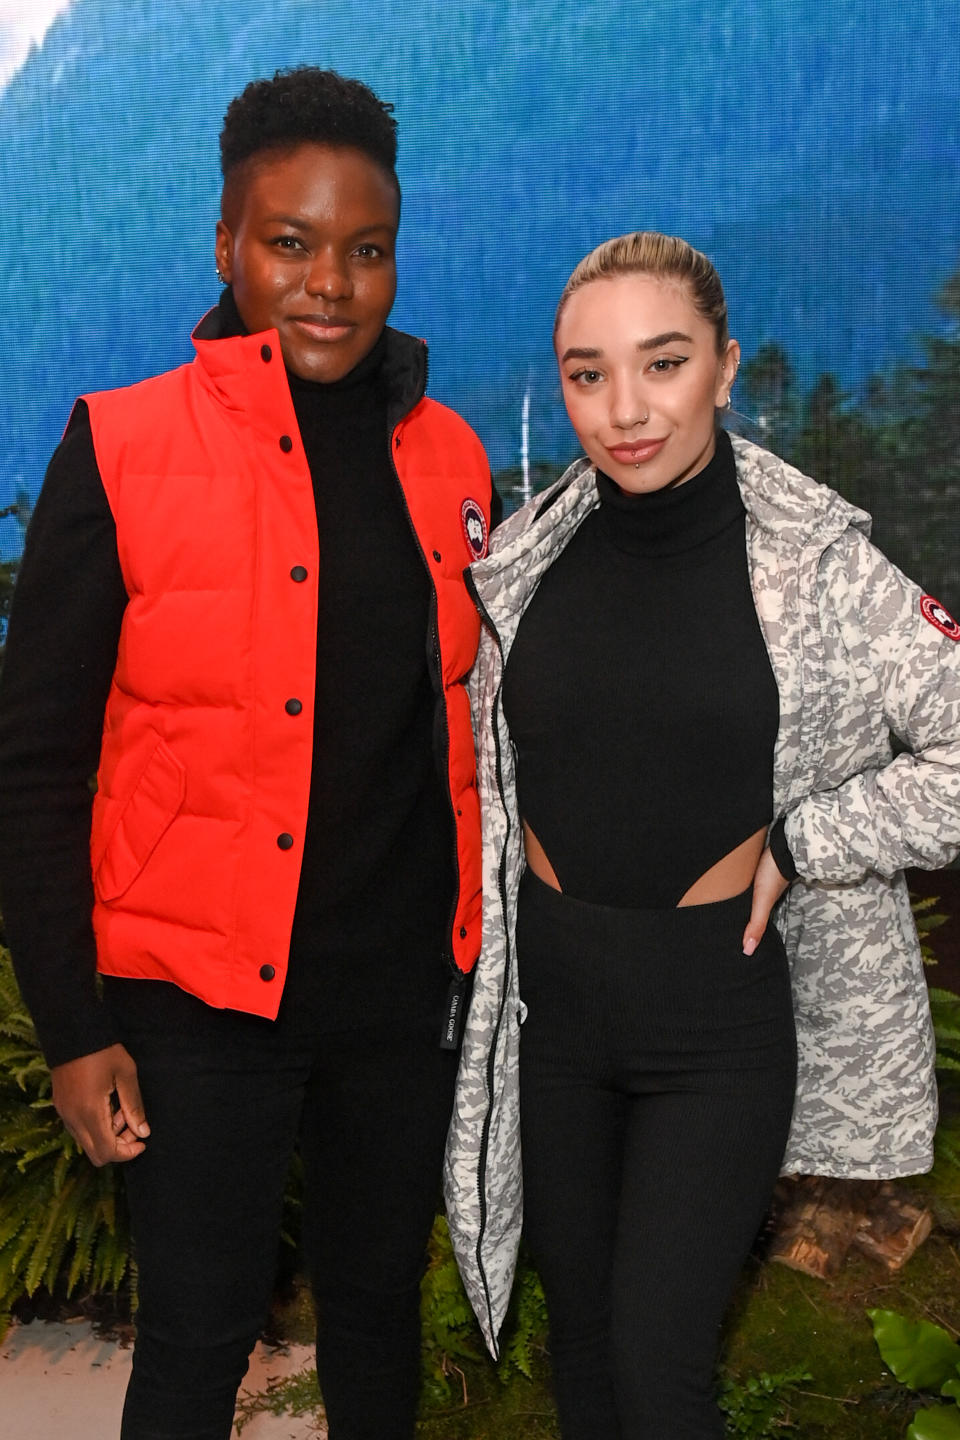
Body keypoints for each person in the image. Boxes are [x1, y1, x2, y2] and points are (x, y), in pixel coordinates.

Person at [0, 67, 496, 1440]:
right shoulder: (120, 444)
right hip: (196, 1000)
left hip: (397, 995)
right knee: (201, 1336)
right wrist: (75, 1024)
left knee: (379, 1316)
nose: (328, 282)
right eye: (290, 243)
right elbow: (36, 767)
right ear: (227, 247)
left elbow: (463, 725)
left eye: (366, 248)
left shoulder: (452, 456)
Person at [444, 230, 960, 1438]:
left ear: (725, 368)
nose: (624, 409)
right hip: (554, 1015)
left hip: (712, 1024)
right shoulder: (526, 556)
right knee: (580, 1349)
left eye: (662, 363)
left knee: (656, 1368)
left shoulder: (817, 566)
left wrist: (807, 837)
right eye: (587, 374)